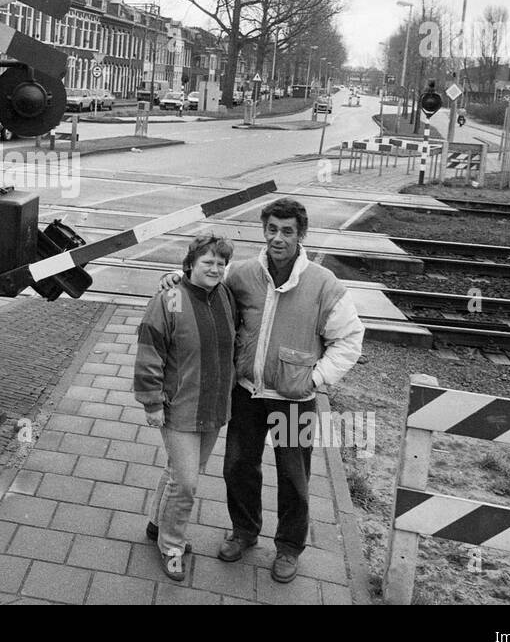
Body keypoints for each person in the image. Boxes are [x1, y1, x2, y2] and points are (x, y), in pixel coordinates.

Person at [160, 197, 364, 584]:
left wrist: (317, 380)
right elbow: (204, 281)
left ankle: (288, 548)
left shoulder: (323, 283)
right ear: (264, 231)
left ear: (301, 234)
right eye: (272, 229)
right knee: (238, 466)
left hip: (295, 401)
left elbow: (350, 339)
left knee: (294, 475)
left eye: (287, 231)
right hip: (247, 394)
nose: (278, 238)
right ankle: (244, 532)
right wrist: (174, 278)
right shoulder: (243, 274)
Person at [133, 232, 237, 582]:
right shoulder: (171, 298)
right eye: (207, 262)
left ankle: (157, 524)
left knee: (178, 474)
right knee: (188, 483)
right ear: (190, 264)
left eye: (221, 263)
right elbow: (150, 350)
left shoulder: (224, 296)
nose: (215, 268)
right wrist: (151, 403)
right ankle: (172, 546)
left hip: (214, 405)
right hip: (179, 407)